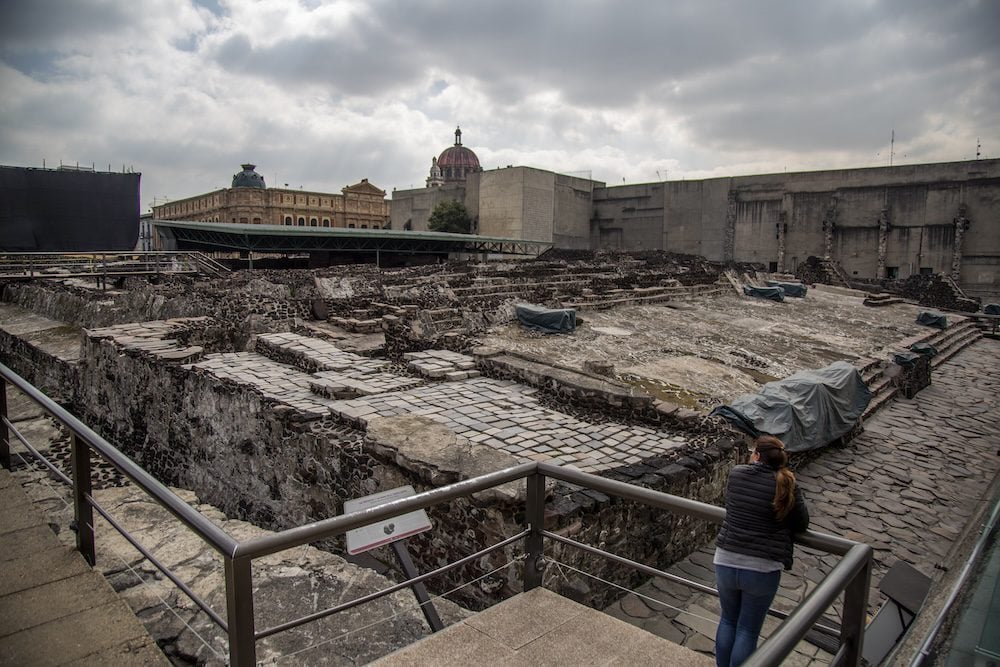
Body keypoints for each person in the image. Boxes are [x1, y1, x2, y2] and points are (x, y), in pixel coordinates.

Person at [713, 435, 809, 667]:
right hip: (762, 568)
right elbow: (802, 523)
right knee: (747, 630)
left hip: (726, 559)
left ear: (756, 455)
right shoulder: (786, 484)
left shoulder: (736, 474)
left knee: (727, 620)